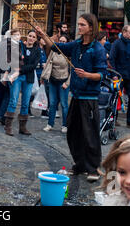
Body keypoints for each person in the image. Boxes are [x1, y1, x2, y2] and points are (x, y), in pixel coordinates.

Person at [36, 13, 107, 182]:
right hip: (76, 95)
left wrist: (87, 75)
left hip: (89, 98)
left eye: (82, 24)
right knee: (73, 133)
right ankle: (79, 164)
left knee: (90, 134)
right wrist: (43, 35)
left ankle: (93, 169)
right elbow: (55, 47)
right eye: (79, 24)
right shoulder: (76, 44)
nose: (79, 27)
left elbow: (102, 74)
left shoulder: (97, 48)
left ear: (91, 27)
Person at [4, 29, 41, 136]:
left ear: (36, 39)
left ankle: (23, 127)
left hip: (28, 77)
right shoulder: (20, 46)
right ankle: (8, 126)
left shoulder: (37, 50)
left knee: (25, 103)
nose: (31, 38)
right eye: (30, 36)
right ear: (27, 36)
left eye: (34, 37)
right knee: (13, 100)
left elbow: (33, 66)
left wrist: (20, 69)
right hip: (17, 77)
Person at [109, 25, 130, 128]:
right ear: (124, 32)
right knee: (116, 97)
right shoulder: (117, 44)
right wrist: (114, 74)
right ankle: (113, 118)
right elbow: (112, 59)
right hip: (119, 75)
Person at [41, 34, 70, 133]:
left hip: (63, 81)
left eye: (64, 42)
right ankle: (50, 124)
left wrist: (67, 83)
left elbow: (73, 70)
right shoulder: (53, 51)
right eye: (60, 41)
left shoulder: (68, 54)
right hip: (53, 80)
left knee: (64, 104)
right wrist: (43, 77)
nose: (61, 43)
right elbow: (48, 63)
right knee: (52, 103)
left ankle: (65, 125)